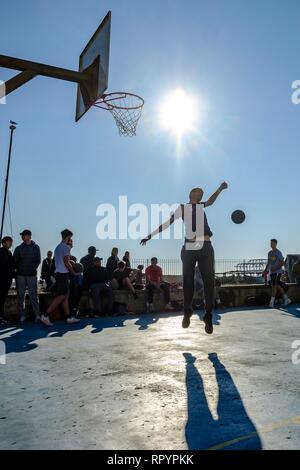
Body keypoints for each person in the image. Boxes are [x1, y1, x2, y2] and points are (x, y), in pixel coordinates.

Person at [141, 183, 228, 334]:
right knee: (188, 280)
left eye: (201, 192)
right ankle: (187, 310)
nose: (200, 192)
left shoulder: (201, 206)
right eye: (197, 191)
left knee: (209, 281)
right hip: (190, 247)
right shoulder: (182, 208)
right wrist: (150, 235)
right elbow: (167, 223)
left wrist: (220, 189)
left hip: (206, 245)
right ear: (190, 194)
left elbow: (212, 201)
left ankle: (208, 314)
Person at [42, 229, 80, 326]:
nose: (70, 240)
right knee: (62, 295)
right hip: (63, 274)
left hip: (59, 273)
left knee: (65, 296)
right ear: (68, 237)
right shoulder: (65, 247)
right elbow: (67, 263)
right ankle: (46, 315)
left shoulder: (58, 247)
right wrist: (74, 272)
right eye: (70, 238)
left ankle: (68, 317)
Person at [13, 229, 41, 323]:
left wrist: (32, 269)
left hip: (32, 275)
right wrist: (19, 270)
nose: (22, 237)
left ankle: (37, 315)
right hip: (20, 276)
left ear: (29, 236)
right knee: (21, 296)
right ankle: (22, 315)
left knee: (34, 296)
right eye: (22, 235)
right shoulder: (18, 248)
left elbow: (38, 260)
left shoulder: (36, 247)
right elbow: (15, 262)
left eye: (24, 235)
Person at [263, 239, 291, 308]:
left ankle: (271, 302)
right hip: (272, 272)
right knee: (275, 286)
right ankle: (286, 299)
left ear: (276, 244)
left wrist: (276, 268)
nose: (271, 244)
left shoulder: (278, 252)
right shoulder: (269, 253)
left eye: (272, 243)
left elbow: (282, 262)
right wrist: (265, 270)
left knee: (274, 286)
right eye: (270, 243)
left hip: (277, 272)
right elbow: (269, 263)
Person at [0, 236, 15, 325]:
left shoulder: (8, 252)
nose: (11, 243)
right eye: (9, 242)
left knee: (2, 299)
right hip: (2, 280)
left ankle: (1, 317)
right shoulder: (1, 252)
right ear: (4, 243)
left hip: (7, 280)